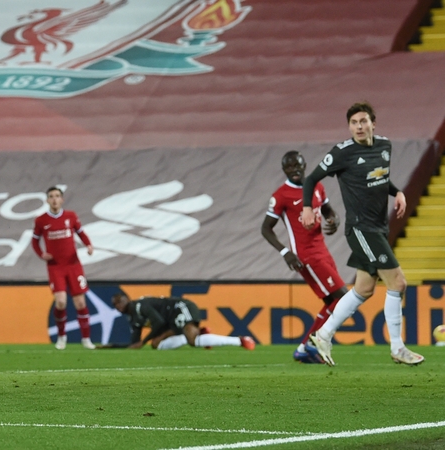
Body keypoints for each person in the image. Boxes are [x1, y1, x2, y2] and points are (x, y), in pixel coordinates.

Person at [302, 102, 424, 366]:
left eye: (363, 121)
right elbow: (311, 179)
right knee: (398, 283)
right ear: (349, 127)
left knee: (363, 289)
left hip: (378, 226)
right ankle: (398, 347)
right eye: (354, 122)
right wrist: (308, 208)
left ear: (373, 123)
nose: (359, 126)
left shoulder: (384, 146)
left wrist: (398, 192)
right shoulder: (342, 153)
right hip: (361, 229)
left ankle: (323, 335)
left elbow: (379, 177)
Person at [261, 151, 348, 364]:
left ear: (305, 165)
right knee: (342, 297)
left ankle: (304, 348)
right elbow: (266, 229)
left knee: (331, 301)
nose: (294, 170)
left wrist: (333, 219)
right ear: (284, 170)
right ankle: (313, 343)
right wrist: (286, 253)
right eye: (289, 167)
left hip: (323, 251)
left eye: (297, 165)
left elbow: (327, 210)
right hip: (306, 256)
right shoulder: (281, 195)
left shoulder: (316, 186)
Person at [31, 187, 96, 350]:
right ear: (47, 200)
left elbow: (81, 233)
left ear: (62, 199)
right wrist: (41, 254)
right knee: (61, 302)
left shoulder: (71, 216)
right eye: (51, 196)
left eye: (57, 196)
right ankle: (61, 337)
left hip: (74, 265)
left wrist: (88, 245)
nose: (54, 199)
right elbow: (34, 241)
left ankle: (86, 339)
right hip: (55, 267)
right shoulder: (41, 220)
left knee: (80, 302)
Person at [102, 292, 256, 351]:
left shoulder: (140, 305)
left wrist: (145, 341)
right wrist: (109, 347)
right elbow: (134, 344)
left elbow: (159, 322)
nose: (118, 305)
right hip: (171, 321)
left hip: (180, 307)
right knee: (157, 345)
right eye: (115, 304)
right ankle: (199, 334)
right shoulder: (133, 317)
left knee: (193, 341)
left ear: (127, 299)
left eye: (120, 301)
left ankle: (240, 340)